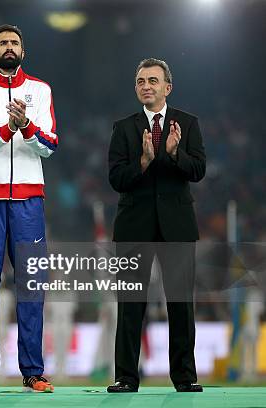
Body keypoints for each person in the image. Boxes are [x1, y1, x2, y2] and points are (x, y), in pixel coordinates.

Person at [0, 24, 58, 393]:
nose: (9, 47)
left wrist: (27, 126)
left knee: (31, 284)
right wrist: (6, 129)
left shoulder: (40, 90)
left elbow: (49, 144)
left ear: (23, 49)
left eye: (14, 42)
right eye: (2, 43)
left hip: (29, 201)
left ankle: (33, 370)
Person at [107, 58, 206, 393]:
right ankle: (126, 377)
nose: (145, 86)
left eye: (152, 80)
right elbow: (116, 178)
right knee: (131, 304)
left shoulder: (188, 124)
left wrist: (176, 155)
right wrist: (144, 162)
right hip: (133, 227)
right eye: (140, 81)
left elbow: (198, 170)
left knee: (180, 304)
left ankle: (184, 377)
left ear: (168, 87)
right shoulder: (123, 128)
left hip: (177, 227)